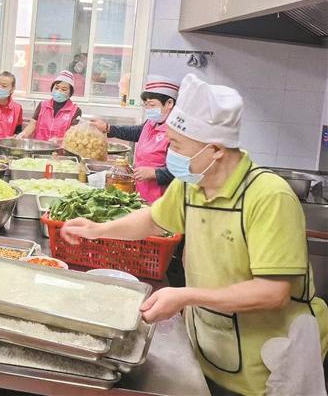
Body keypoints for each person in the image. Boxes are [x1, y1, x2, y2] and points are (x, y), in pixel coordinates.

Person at [61, 74, 328, 396]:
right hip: (210, 344)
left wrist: (186, 296)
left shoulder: (269, 197)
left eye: (176, 146)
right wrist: (98, 229)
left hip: (268, 362)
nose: (170, 154)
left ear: (214, 149)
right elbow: (153, 220)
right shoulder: (192, 184)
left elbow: (272, 293)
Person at [91, 75, 180, 203]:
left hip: (162, 199)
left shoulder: (177, 132)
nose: (148, 109)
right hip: (142, 193)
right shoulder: (152, 122)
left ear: (169, 103)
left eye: (152, 105)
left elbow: (183, 171)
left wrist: (155, 173)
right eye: (146, 105)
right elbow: (137, 132)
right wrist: (108, 128)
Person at [20, 70, 82, 142]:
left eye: (64, 89)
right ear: (52, 88)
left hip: (60, 148)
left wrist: (59, 140)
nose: (59, 91)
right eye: (56, 88)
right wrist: (23, 134)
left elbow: (73, 135)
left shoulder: (75, 110)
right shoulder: (43, 105)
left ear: (70, 93)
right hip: (40, 146)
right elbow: (32, 124)